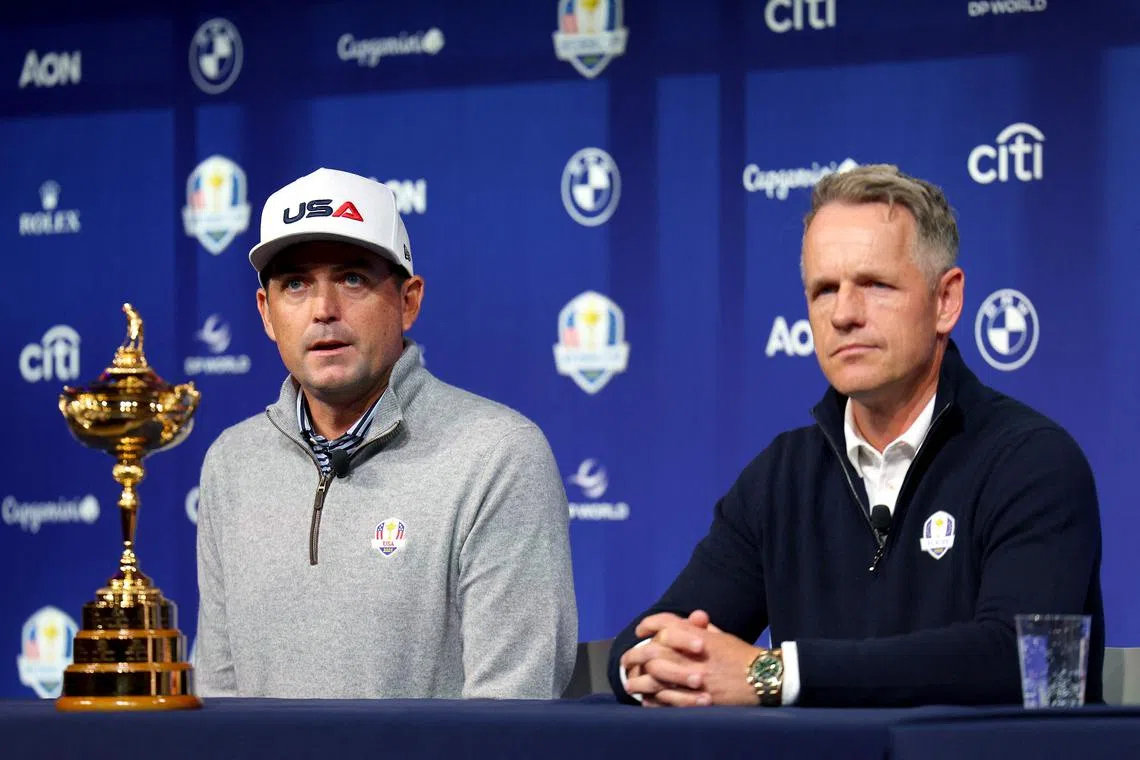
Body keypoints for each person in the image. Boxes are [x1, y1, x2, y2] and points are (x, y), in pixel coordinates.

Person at [609, 164, 1104, 707]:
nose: (844, 314)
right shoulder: (782, 478)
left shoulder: (1032, 462)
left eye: (874, 285)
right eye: (824, 290)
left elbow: (1024, 662)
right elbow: (643, 644)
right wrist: (655, 664)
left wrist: (775, 674)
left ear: (946, 301)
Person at [195, 167, 577, 699]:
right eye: (296, 284)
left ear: (408, 301)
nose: (323, 310)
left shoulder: (498, 455)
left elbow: (511, 711)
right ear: (266, 312)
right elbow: (217, 700)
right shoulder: (232, 462)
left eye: (352, 279)